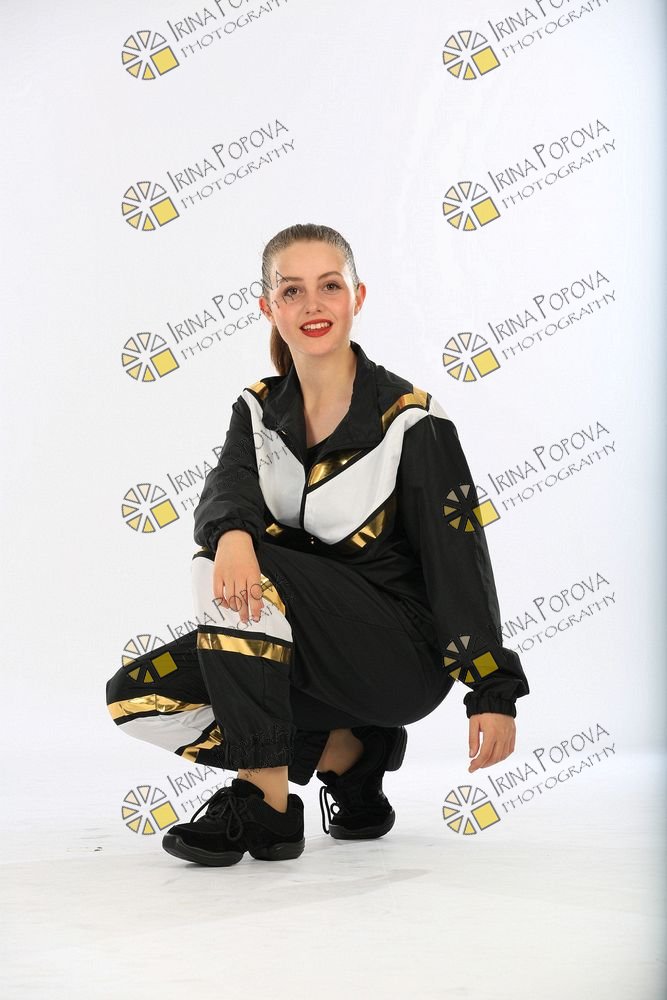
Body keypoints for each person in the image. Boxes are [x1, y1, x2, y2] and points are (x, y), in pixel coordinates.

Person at [105, 223, 530, 868]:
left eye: (329, 286)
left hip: (399, 660)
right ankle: (350, 758)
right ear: (268, 307)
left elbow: (459, 559)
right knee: (138, 696)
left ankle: (265, 802)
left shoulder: (411, 420)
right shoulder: (257, 408)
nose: (312, 305)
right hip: (300, 652)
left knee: (236, 559)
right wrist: (233, 535)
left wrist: (491, 691)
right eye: (292, 290)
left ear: (357, 296)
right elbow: (228, 490)